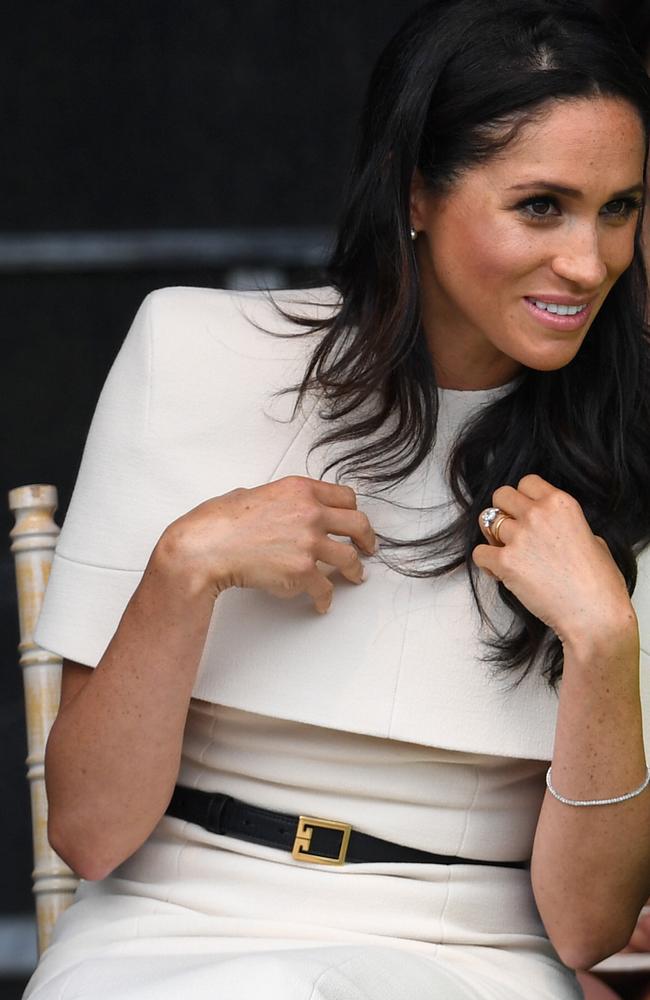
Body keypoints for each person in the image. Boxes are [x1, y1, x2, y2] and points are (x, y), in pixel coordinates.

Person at [21, 1, 650, 998]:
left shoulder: (627, 445)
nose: (587, 261)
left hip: (470, 954)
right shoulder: (190, 351)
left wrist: (603, 639)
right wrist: (183, 570)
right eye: (541, 206)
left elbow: (583, 931)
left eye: (618, 208)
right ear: (416, 193)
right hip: (166, 931)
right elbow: (90, 833)